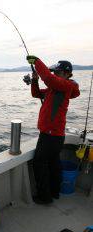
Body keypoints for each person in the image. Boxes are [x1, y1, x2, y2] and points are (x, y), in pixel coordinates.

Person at [26, 55, 80, 204]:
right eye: (54, 72)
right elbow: (36, 93)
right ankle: (55, 192)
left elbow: (49, 78)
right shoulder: (53, 89)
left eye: (57, 72)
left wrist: (36, 62)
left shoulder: (66, 85)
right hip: (54, 135)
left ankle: (45, 196)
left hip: (51, 135)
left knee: (39, 163)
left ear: (67, 73)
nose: (55, 74)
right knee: (53, 163)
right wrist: (35, 80)